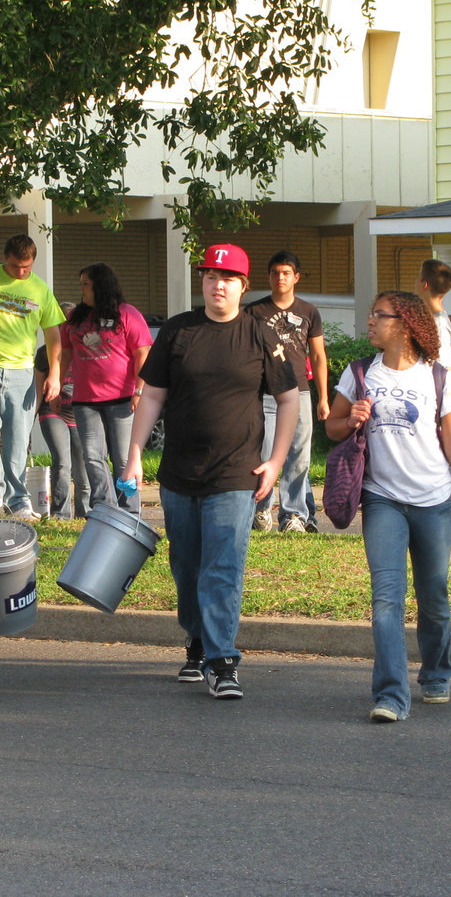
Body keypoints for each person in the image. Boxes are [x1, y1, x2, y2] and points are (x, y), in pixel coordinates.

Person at [123, 244, 298, 700]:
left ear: (243, 285)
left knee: (222, 566)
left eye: (227, 278)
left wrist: (276, 461)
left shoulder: (261, 333)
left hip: (236, 472)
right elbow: (152, 396)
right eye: (210, 277)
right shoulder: (179, 330)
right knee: (186, 566)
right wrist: (134, 455)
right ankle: (197, 640)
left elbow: (288, 400)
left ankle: (222, 661)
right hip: (179, 473)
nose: (217, 285)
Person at [325, 290, 451, 724]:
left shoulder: (438, 377)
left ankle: (436, 672)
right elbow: (332, 427)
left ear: (403, 324)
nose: (370, 321)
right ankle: (390, 695)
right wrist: (351, 419)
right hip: (381, 498)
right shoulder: (360, 372)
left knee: (433, 595)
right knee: (386, 598)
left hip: (434, 501)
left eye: (378, 315)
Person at [0, 234, 65, 520]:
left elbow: (53, 334)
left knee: (18, 437)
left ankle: (18, 500)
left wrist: (55, 374)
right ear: (6, 258)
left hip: (22, 371)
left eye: (26, 267)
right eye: (16, 266)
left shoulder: (40, 289)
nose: (21, 272)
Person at [245, 250, 329, 533]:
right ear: (269, 276)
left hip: (299, 391)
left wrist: (323, 397)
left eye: (286, 273)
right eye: (275, 273)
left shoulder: (309, 311)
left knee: (299, 455)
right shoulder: (254, 312)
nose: (280, 278)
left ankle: (294, 515)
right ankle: (261, 509)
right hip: (265, 393)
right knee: (264, 453)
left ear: (296, 277)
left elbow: (318, 356)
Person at [60, 262, 153, 514]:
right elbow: (65, 354)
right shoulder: (74, 317)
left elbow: (143, 353)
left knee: (123, 458)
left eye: (86, 284)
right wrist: (58, 382)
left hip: (122, 399)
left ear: (101, 286)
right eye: (80, 284)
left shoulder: (127, 314)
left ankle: (130, 511)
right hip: (85, 400)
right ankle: (104, 507)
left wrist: (139, 390)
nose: (81, 289)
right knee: (92, 456)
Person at [36, 302, 91, 519]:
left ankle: (85, 513)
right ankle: (61, 514)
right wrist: (30, 418)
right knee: (62, 462)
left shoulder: (86, 350)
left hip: (80, 413)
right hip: (52, 411)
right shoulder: (44, 353)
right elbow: (38, 388)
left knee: (83, 465)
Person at [417, 258, 451, 369]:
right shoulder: (434, 319)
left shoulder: (439, 323)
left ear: (425, 285)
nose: (415, 282)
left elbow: (444, 367)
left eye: (418, 277)